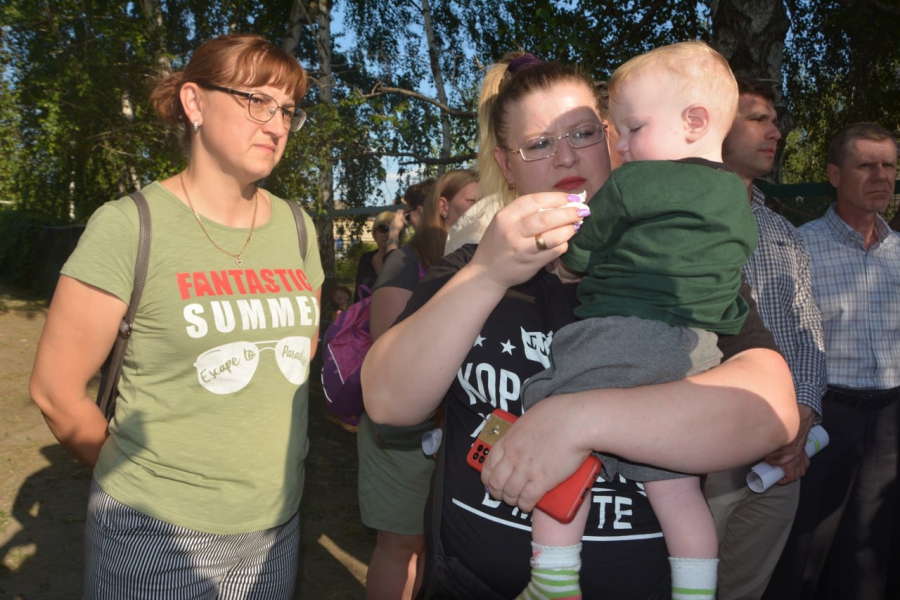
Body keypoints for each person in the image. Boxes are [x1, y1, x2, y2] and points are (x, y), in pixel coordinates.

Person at [361, 51, 798, 599]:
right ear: (508, 164)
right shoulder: (469, 266)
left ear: (616, 139)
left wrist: (577, 419)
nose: (565, 154)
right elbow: (386, 401)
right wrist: (489, 273)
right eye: (539, 143)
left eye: (584, 132)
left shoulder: (675, 265)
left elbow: (772, 414)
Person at [28, 33, 322, 598]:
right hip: (155, 535)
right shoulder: (128, 226)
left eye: (286, 109)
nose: (277, 124)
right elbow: (54, 391)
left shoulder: (298, 228)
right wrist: (138, 484)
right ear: (194, 102)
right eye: (256, 101)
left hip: (277, 527)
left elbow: (295, 358)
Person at [517, 41, 756, 600]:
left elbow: (582, 251)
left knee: (556, 439)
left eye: (631, 128)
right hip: (694, 355)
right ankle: (696, 592)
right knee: (677, 491)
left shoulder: (634, 183)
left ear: (694, 121)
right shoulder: (737, 196)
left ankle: (552, 581)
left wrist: (573, 257)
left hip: (616, 337)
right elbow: (728, 284)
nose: (620, 147)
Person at [702, 78, 827, 600]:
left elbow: (809, 333)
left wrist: (803, 419)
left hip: (779, 462)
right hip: (697, 454)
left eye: (775, 120)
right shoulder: (678, 223)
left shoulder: (782, 232)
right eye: (757, 119)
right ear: (713, 127)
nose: (775, 131)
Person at [765, 123, 900, 600]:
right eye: (866, 165)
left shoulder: (898, 253)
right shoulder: (799, 246)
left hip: (889, 422)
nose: (881, 176)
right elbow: (780, 340)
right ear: (834, 175)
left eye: (888, 165)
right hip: (823, 418)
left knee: (868, 554)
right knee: (802, 550)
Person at [359, 169, 478, 600]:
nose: (481, 210)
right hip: (403, 435)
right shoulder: (407, 262)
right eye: (471, 201)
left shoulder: (481, 261)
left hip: (453, 428)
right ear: (443, 208)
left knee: (436, 542)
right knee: (401, 545)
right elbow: (386, 347)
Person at [355, 209, 404, 299]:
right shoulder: (365, 259)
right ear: (375, 233)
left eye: (393, 230)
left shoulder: (405, 258)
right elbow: (358, 295)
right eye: (383, 229)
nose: (388, 234)